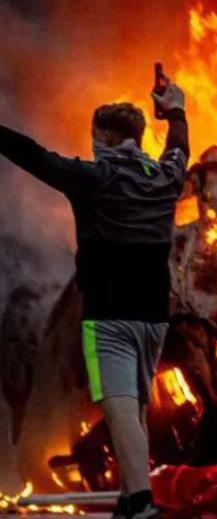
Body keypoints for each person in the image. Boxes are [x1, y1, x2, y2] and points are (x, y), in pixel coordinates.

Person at [0, 77, 188, 519]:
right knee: (136, 405)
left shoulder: (91, 178)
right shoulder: (166, 176)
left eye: (95, 136)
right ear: (137, 137)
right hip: (154, 317)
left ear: (103, 137)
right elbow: (179, 147)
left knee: (118, 405)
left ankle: (142, 504)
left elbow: (34, 157)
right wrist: (175, 111)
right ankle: (128, 499)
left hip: (109, 315)